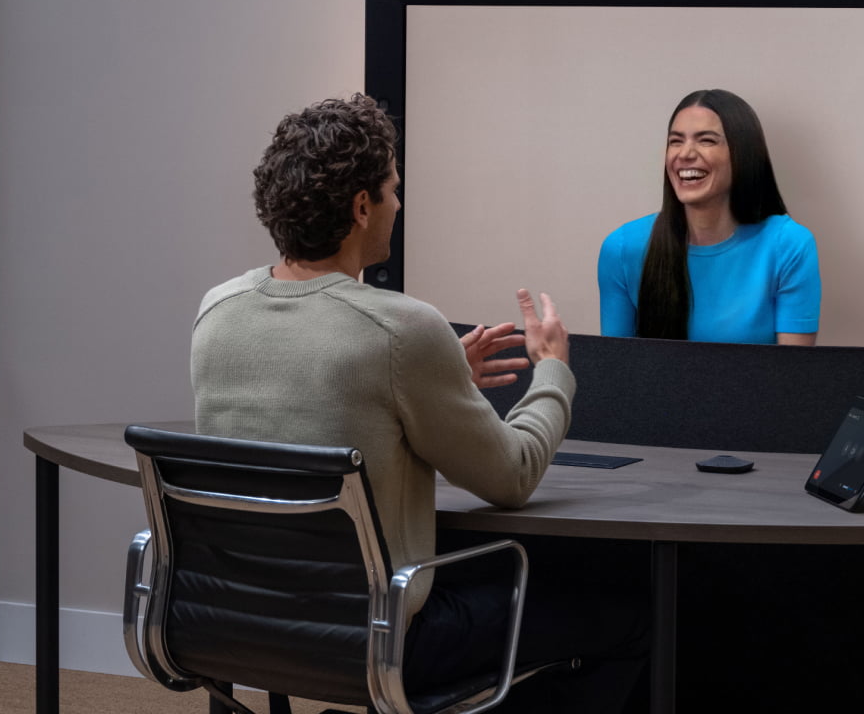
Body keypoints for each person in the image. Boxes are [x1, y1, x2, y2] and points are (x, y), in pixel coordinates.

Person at [192, 94, 647, 713]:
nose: (399, 205)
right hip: (382, 636)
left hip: (240, 617)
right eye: (393, 189)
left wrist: (438, 376)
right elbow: (512, 476)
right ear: (360, 207)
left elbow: (309, 398)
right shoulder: (399, 329)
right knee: (632, 619)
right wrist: (552, 373)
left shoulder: (218, 311)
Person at [598, 89, 820, 344]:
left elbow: (792, 376)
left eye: (706, 140)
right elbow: (620, 371)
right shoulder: (622, 249)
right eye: (676, 141)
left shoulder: (789, 246)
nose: (685, 154)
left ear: (742, 154)